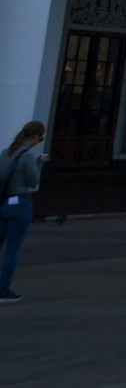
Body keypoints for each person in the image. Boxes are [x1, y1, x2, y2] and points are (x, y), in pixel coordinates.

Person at [1, 121, 47, 303]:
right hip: (20, 203)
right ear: (35, 136)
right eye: (40, 138)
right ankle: (2, 289)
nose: (39, 141)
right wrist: (40, 164)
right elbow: (33, 181)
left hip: (4, 202)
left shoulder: (6, 152)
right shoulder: (28, 156)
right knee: (12, 250)